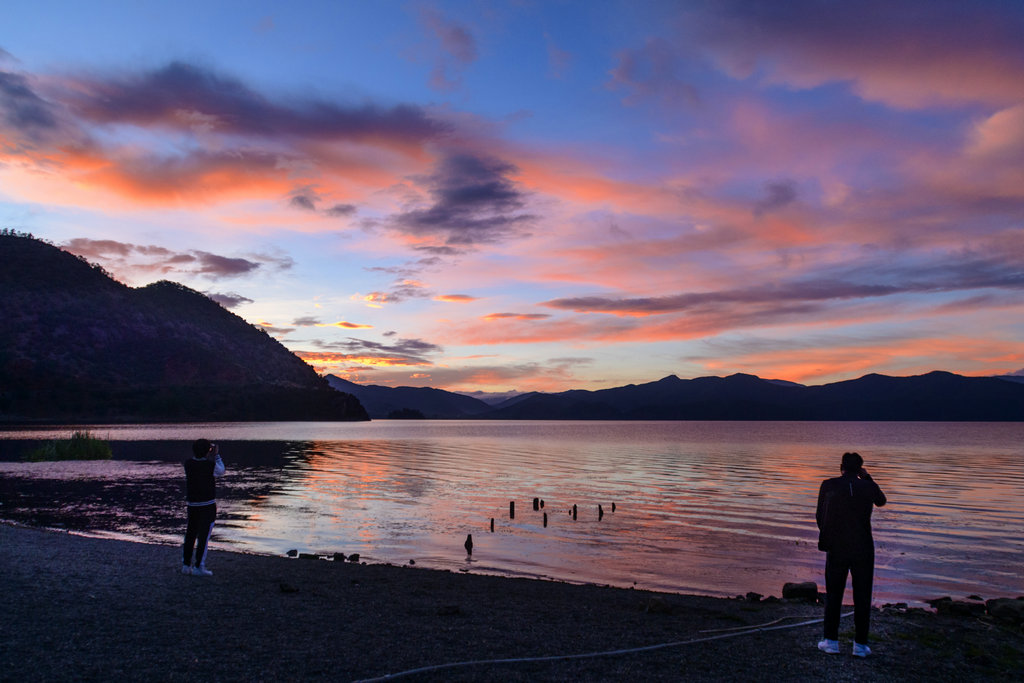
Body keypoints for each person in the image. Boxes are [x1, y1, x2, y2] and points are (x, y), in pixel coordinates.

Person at [816, 451, 886, 658]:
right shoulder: (868, 486)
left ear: (841, 467)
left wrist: (828, 535)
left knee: (834, 593)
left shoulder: (828, 485)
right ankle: (860, 645)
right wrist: (867, 478)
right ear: (860, 469)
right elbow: (881, 501)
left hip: (837, 546)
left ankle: (831, 641)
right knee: (862, 596)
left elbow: (819, 515)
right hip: (863, 547)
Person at [182, 438, 225, 576]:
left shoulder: (188, 464)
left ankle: (186, 565)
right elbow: (221, 471)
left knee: (190, 534)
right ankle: (199, 566)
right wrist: (216, 455)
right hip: (207, 505)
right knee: (203, 537)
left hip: (192, 505)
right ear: (207, 451)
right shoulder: (210, 465)